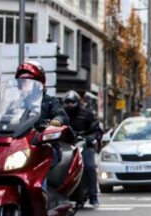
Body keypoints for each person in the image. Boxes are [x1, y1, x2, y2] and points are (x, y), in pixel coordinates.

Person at [14, 61, 69, 194]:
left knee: (39, 165)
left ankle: (41, 197)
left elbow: (61, 115)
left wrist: (57, 120)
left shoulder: (50, 101)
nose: (25, 85)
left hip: (42, 146)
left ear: (40, 83)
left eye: (29, 81)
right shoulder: (13, 103)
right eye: (22, 82)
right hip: (17, 147)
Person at [63, 90, 102, 207]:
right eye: (67, 102)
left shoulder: (87, 114)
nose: (70, 105)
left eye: (72, 102)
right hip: (66, 146)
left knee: (89, 166)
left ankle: (93, 196)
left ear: (78, 102)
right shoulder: (61, 115)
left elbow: (97, 129)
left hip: (83, 144)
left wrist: (91, 137)